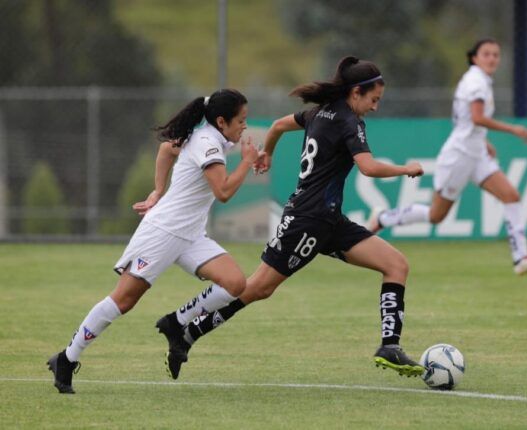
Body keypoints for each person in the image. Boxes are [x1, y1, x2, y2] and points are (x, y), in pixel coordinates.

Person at [154, 56, 427, 380]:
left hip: (329, 220)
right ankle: (183, 327)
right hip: (307, 221)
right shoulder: (347, 121)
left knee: (396, 265)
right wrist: (405, 168)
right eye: (373, 99)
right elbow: (367, 167)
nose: (375, 107)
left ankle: (389, 345)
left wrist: (267, 152)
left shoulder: (316, 113)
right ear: (356, 93)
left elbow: (278, 125)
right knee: (256, 288)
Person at [47, 89, 259, 393]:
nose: (244, 127)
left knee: (236, 283)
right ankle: (66, 359)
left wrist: (158, 191)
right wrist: (246, 163)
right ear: (222, 121)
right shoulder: (207, 141)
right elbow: (223, 192)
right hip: (162, 233)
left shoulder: (212, 137)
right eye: (241, 120)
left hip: (190, 235)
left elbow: (166, 151)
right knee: (123, 300)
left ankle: (176, 322)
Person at [367, 39, 527, 276]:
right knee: (436, 215)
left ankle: (521, 257)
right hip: (459, 156)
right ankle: (383, 217)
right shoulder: (476, 82)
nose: (492, 58)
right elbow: (477, 118)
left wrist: (483, 141)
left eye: (496, 54)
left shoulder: (479, 80)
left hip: (476, 153)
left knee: (511, 196)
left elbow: (464, 120)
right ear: (474, 57)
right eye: (487, 54)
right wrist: (513, 129)